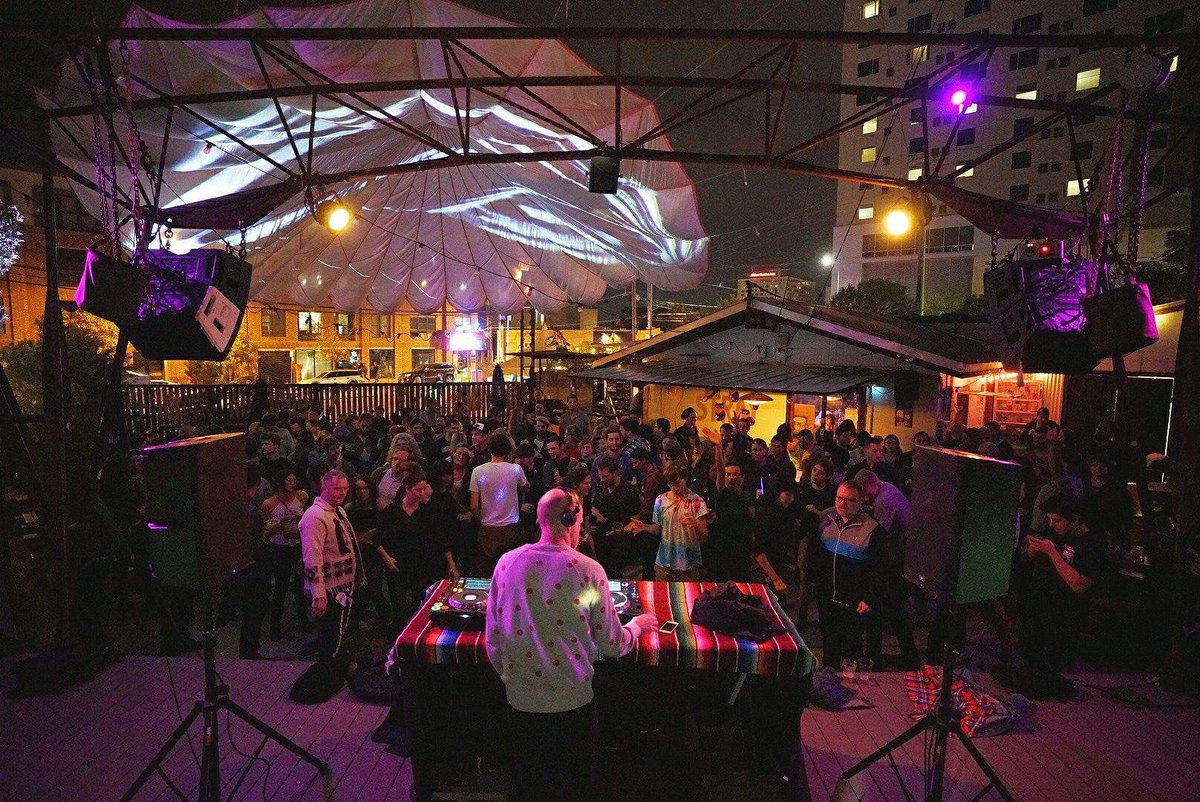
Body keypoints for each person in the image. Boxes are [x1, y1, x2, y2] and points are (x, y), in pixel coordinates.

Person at [484, 489, 658, 802]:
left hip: (521, 703)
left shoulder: (507, 564)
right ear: (572, 519)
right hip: (573, 703)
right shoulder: (588, 570)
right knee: (577, 786)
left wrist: (514, 680)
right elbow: (611, 643)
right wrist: (636, 626)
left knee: (527, 784)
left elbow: (493, 639)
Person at [1015, 493, 1104, 698]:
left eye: (1057, 520)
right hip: (1039, 602)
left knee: (1053, 665)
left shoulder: (1092, 545)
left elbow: (1079, 585)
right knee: (1029, 652)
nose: (1052, 524)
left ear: (1075, 519)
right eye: (1050, 519)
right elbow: (1030, 557)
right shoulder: (1053, 532)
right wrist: (1034, 548)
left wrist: (1053, 552)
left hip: (1064, 612)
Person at [809, 478, 886, 669]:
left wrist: (869, 598)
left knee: (851, 646)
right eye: (839, 498)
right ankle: (828, 674)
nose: (842, 504)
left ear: (860, 502)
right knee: (829, 639)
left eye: (848, 500)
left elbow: (879, 569)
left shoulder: (872, 530)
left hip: (853, 600)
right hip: (827, 596)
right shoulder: (826, 520)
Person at [299, 469, 363, 665]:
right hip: (330, 588)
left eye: (345, 488)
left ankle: (333, 668)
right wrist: (318, 593)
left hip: (343, 583)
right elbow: (312, 558)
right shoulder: (315, 517)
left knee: (337, 633)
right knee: (332, 637)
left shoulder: (338, 510)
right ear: (324, 488)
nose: (342, 492)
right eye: (337, 489)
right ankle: (328, 671)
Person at [858, 470, 919, 669]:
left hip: (901, 560)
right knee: (894, 608)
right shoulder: (888, 488)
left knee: (893, 607)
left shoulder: (884, 501)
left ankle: (909, 658)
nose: (863, 498)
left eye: (863, 493)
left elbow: (879, 534)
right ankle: (908, 655)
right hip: (904, 556)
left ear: (871, 485)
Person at [629, 463, 709, 581]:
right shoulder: (660, 500)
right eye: (670, 484)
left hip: (688, 565)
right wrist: (645, 527)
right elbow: (659, 528)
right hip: (664, 562)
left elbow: (704, 537)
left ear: (685, 478)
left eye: (677, 483)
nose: (673, 488)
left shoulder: (697, 502)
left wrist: (695, 525)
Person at [469, 432, 530, 576]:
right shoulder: (515, 469)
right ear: (508, 450)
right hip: (511, 528)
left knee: (487, 572)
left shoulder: (478, 471)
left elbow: (473, 506)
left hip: (487, 528)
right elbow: (526, 487)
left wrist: (479, 518)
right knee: (509, 571)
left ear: (489, 448)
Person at [261, 469, 309, 640]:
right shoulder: (269, 504)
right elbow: (264, 529)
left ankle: (303, 620)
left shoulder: (302, 496)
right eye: (289, 479)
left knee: (301, 584)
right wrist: (274, 529)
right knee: (281, 586)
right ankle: (275, 627)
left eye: (294, 480)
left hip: (297, 545)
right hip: (279, 547)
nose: (292, 483)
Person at [706, 445, 756, 582]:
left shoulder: (748, 496)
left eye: (736, 474)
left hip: (742, 552)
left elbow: (752, 521)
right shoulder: (722, 493)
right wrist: (718, 447)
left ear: (742, 477)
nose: (732, 477)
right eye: (728, 474)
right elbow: (720, 473)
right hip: (723, 551)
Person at [590, 457, 640, 581]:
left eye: (605, 476)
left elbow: (636, 517)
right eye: (600, 476)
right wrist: (598, 515)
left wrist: (624, 530)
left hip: (620, 540)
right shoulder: (601, 486)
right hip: (601, 538)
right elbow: (594, 507)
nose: (602, 479)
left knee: (615, 574)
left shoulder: (629, 491)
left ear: (615, 473)